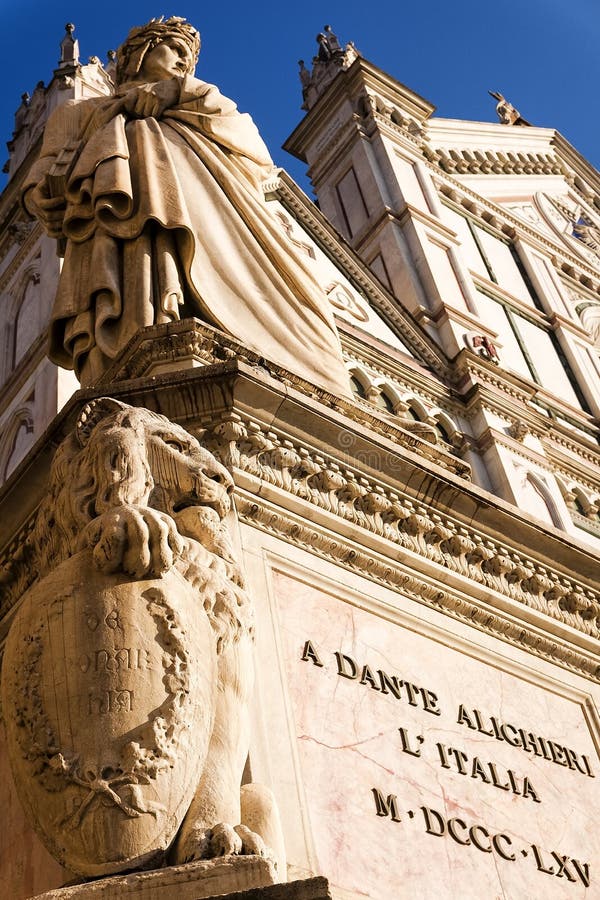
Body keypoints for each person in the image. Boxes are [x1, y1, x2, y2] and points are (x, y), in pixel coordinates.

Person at [23, 17, 351, 396]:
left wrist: (176, 93)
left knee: (309, 300)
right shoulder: (79, 112)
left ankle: (319, 378)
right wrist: (42, 198)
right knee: (142, 299)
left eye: (188, 58)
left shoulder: (199, 100)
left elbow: (255, 156)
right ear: (140, 53)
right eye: (174, 50)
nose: (183, 61)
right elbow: (41, 176)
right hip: (126, 229)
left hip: (215, 225)